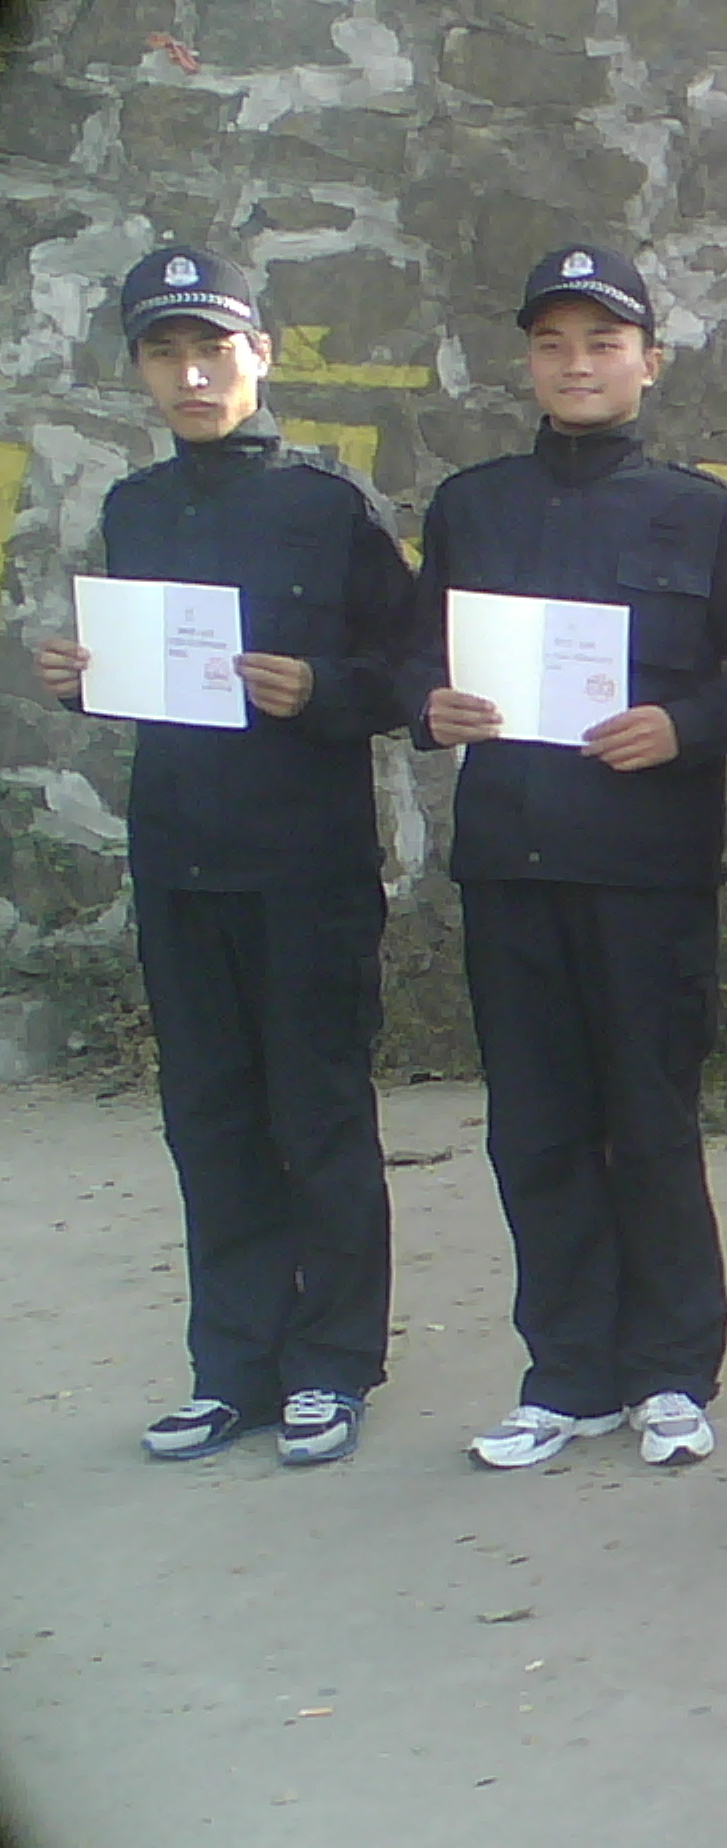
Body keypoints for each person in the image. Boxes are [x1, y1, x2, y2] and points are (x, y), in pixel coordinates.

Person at [399, 245, 727, 1471]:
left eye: (603, 343)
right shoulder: (472, 507)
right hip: (512, 865)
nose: (577, 365)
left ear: (648, 362)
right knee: (535, 1129)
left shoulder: (701, 513)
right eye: (553, 343)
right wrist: (428, 705)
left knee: (650, 1121)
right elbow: (416, 655)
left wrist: (686, 725)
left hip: (647, 872)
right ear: (529, 361)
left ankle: (671, 1372)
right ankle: (564, 1375)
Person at [35, 246, 413, 1466]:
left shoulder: (328, 506)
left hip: (305, 867)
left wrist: (322, 687)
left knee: (320, 1114)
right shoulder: (136, 510)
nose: (192, 376)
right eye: (166, 354)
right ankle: (233, 1367)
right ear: (142, 370)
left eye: (213, 350)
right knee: (207, 1116)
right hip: (180, 859)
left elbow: (411, 673)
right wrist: (86, 681)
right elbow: (153, 676)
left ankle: (333, 1365)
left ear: (261, 356)